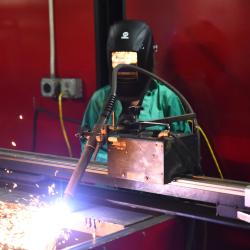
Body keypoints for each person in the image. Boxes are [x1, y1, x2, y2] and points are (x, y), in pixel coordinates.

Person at [81, 20, 190, 162]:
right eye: (119, 60)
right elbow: (86, 145)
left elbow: (184, 148)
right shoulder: (100, 99)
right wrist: (119, 164)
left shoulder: (166, 99)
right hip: (109, 181)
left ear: (147, 58)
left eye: (131, 61)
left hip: (154, 180)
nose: (125, 69)